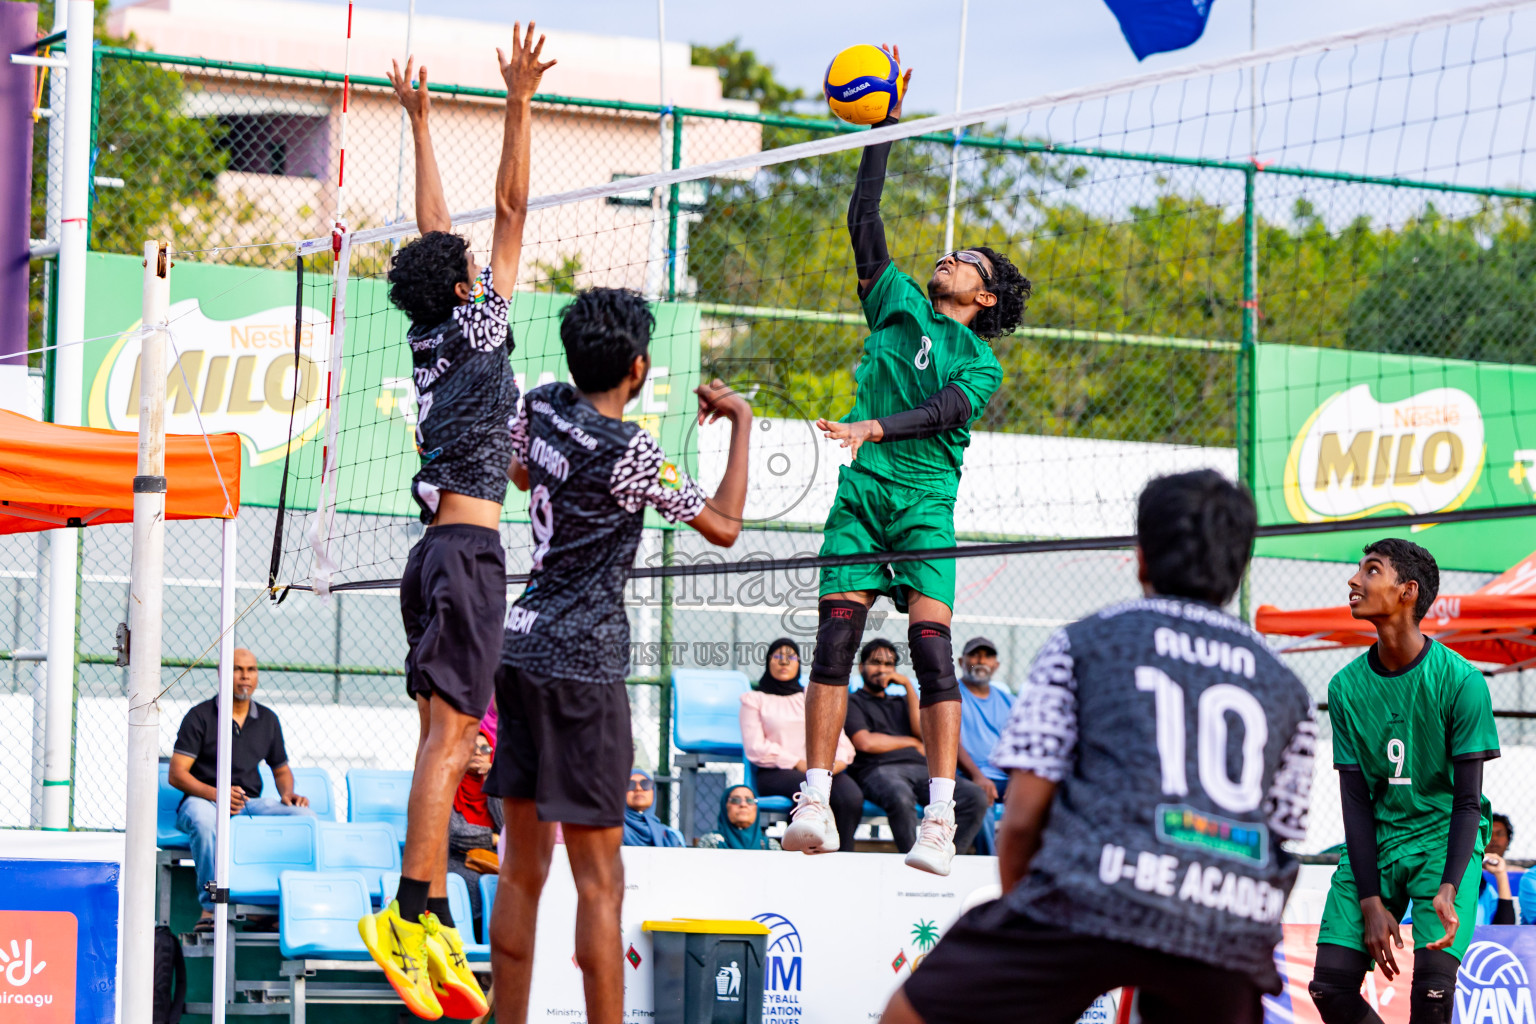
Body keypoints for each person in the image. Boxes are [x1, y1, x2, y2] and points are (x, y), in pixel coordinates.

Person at [881, 470, 1316, 1024]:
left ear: (1141, 558)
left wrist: (1031, 928)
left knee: (907, 1014)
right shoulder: (1289, 688)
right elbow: (1281, 838)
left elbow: (1023, 817)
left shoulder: (1084, 642)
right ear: (1241, 566)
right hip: (1228, 922)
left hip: (1094, 890)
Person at [787, 45, 1031, 877]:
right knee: (834, 643)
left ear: (984, 296)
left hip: (923, 500)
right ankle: (813, 799)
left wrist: (873, 428)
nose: (948, 257)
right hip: (863, 497)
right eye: (950, 254)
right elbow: (864, 215)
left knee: (932, 653)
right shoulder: (894, 301)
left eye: (968, 262)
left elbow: (944, 413)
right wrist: (884, 126)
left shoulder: (981, 361)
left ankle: (938, 819)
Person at [487, 285, 753, 1024]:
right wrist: (740, 421)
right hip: (582, 666)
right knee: (600, 883)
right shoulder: (633, 451)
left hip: (522, 644)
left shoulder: (542, 404)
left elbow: (520, 474)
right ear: (637, 367)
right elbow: (725, 526)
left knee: (522, 871)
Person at [359, 30, 555, 1022]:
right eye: (473, 267)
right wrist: (517, 101)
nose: (482, 264)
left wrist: (423, 121)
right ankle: (406, 913)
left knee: (439, 738)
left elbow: (439, 234)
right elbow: (510, 210)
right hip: (469, 552)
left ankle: (431, 908)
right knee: (451, 742)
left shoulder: (432, 328)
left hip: (431, 553)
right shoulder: (477, 322)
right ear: (465, 287)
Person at [1306, 539, 1500, 1024]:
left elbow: (1467, 803)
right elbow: (1354, 802)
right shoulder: (1345, 688)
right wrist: (1371, 901)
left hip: (1442, 838)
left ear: (1407, 591)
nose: (1354, 580)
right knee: (1329, 987)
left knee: (1432, 996)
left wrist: (1450, 886)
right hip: (1379, 836)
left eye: (1371, 570)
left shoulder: (1462, 682)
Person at [169, 648, 313, 932]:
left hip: (248, 804)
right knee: (205, 823)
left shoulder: (268, 719)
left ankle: (277, 906)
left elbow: (281, 770)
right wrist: (217, 794)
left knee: (304, 818)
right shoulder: (200, 716)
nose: (245, 676)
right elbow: (177, 774)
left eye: (251, 670)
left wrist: (287, 793)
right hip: (203, 800)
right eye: (237, 669)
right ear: (222, 674)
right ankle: (211, 907)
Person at [844, 639, 988, 857]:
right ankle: (913, 858)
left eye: (888, 664)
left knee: (975, 796)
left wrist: (908, 687)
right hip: (877, 769)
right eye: (875, 663)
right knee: (900, 796)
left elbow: (923, 733)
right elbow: (866, 742)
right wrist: (910, 742)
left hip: (920, 768)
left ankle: (944, 857)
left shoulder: (902, 701)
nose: (882, 670)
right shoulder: (852, 701)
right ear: (861, 666)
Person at [740, 639, 863, 853]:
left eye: (791, 657)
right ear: (768, 662)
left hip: (821, 769)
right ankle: (803, 853)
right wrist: (797, 762)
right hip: (777, 772)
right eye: (777, 656)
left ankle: (842, 855)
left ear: (799, 663)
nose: (784, 662)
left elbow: (839, 739)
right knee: (806, 791)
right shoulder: (754, 699)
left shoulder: (811, 696)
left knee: (850, 795)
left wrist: (835, 765)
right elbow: (755, 747)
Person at [448, 726, 503, 934]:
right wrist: (493, 839)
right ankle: (478, 937)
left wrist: (492, 782)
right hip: (457, 859)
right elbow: (456, 834)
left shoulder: (496, 785)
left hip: (492, 859)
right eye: (472, 747)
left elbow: (505, 826)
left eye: (485, 749)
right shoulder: (450, 785)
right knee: (476, 882)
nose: (478, 752)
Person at [957, 637, 1009, 853]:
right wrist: (977, 776)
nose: (981, 661)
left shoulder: (1009, 701)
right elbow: (950, 742)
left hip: (1005, 778)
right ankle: (991, 866)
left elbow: (1019, 746)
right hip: (967, 776)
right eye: (974, 655)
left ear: (995, 665)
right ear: (961, 662)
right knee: (981, 800)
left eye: (987, 656)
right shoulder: (949, 695)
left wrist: (1018, 779)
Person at [697, 785, 780, 850]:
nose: (743, 805)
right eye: (735, 800)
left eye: (750, 800)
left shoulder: (770, 846)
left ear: (756, 808)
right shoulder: (711, 843)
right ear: (725, 807)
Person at [621, 770, 684, 848]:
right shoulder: (611, 832)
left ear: (653, 791)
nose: (638, 788)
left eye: (645, 784)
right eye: (630, 784)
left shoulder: (670, 836)